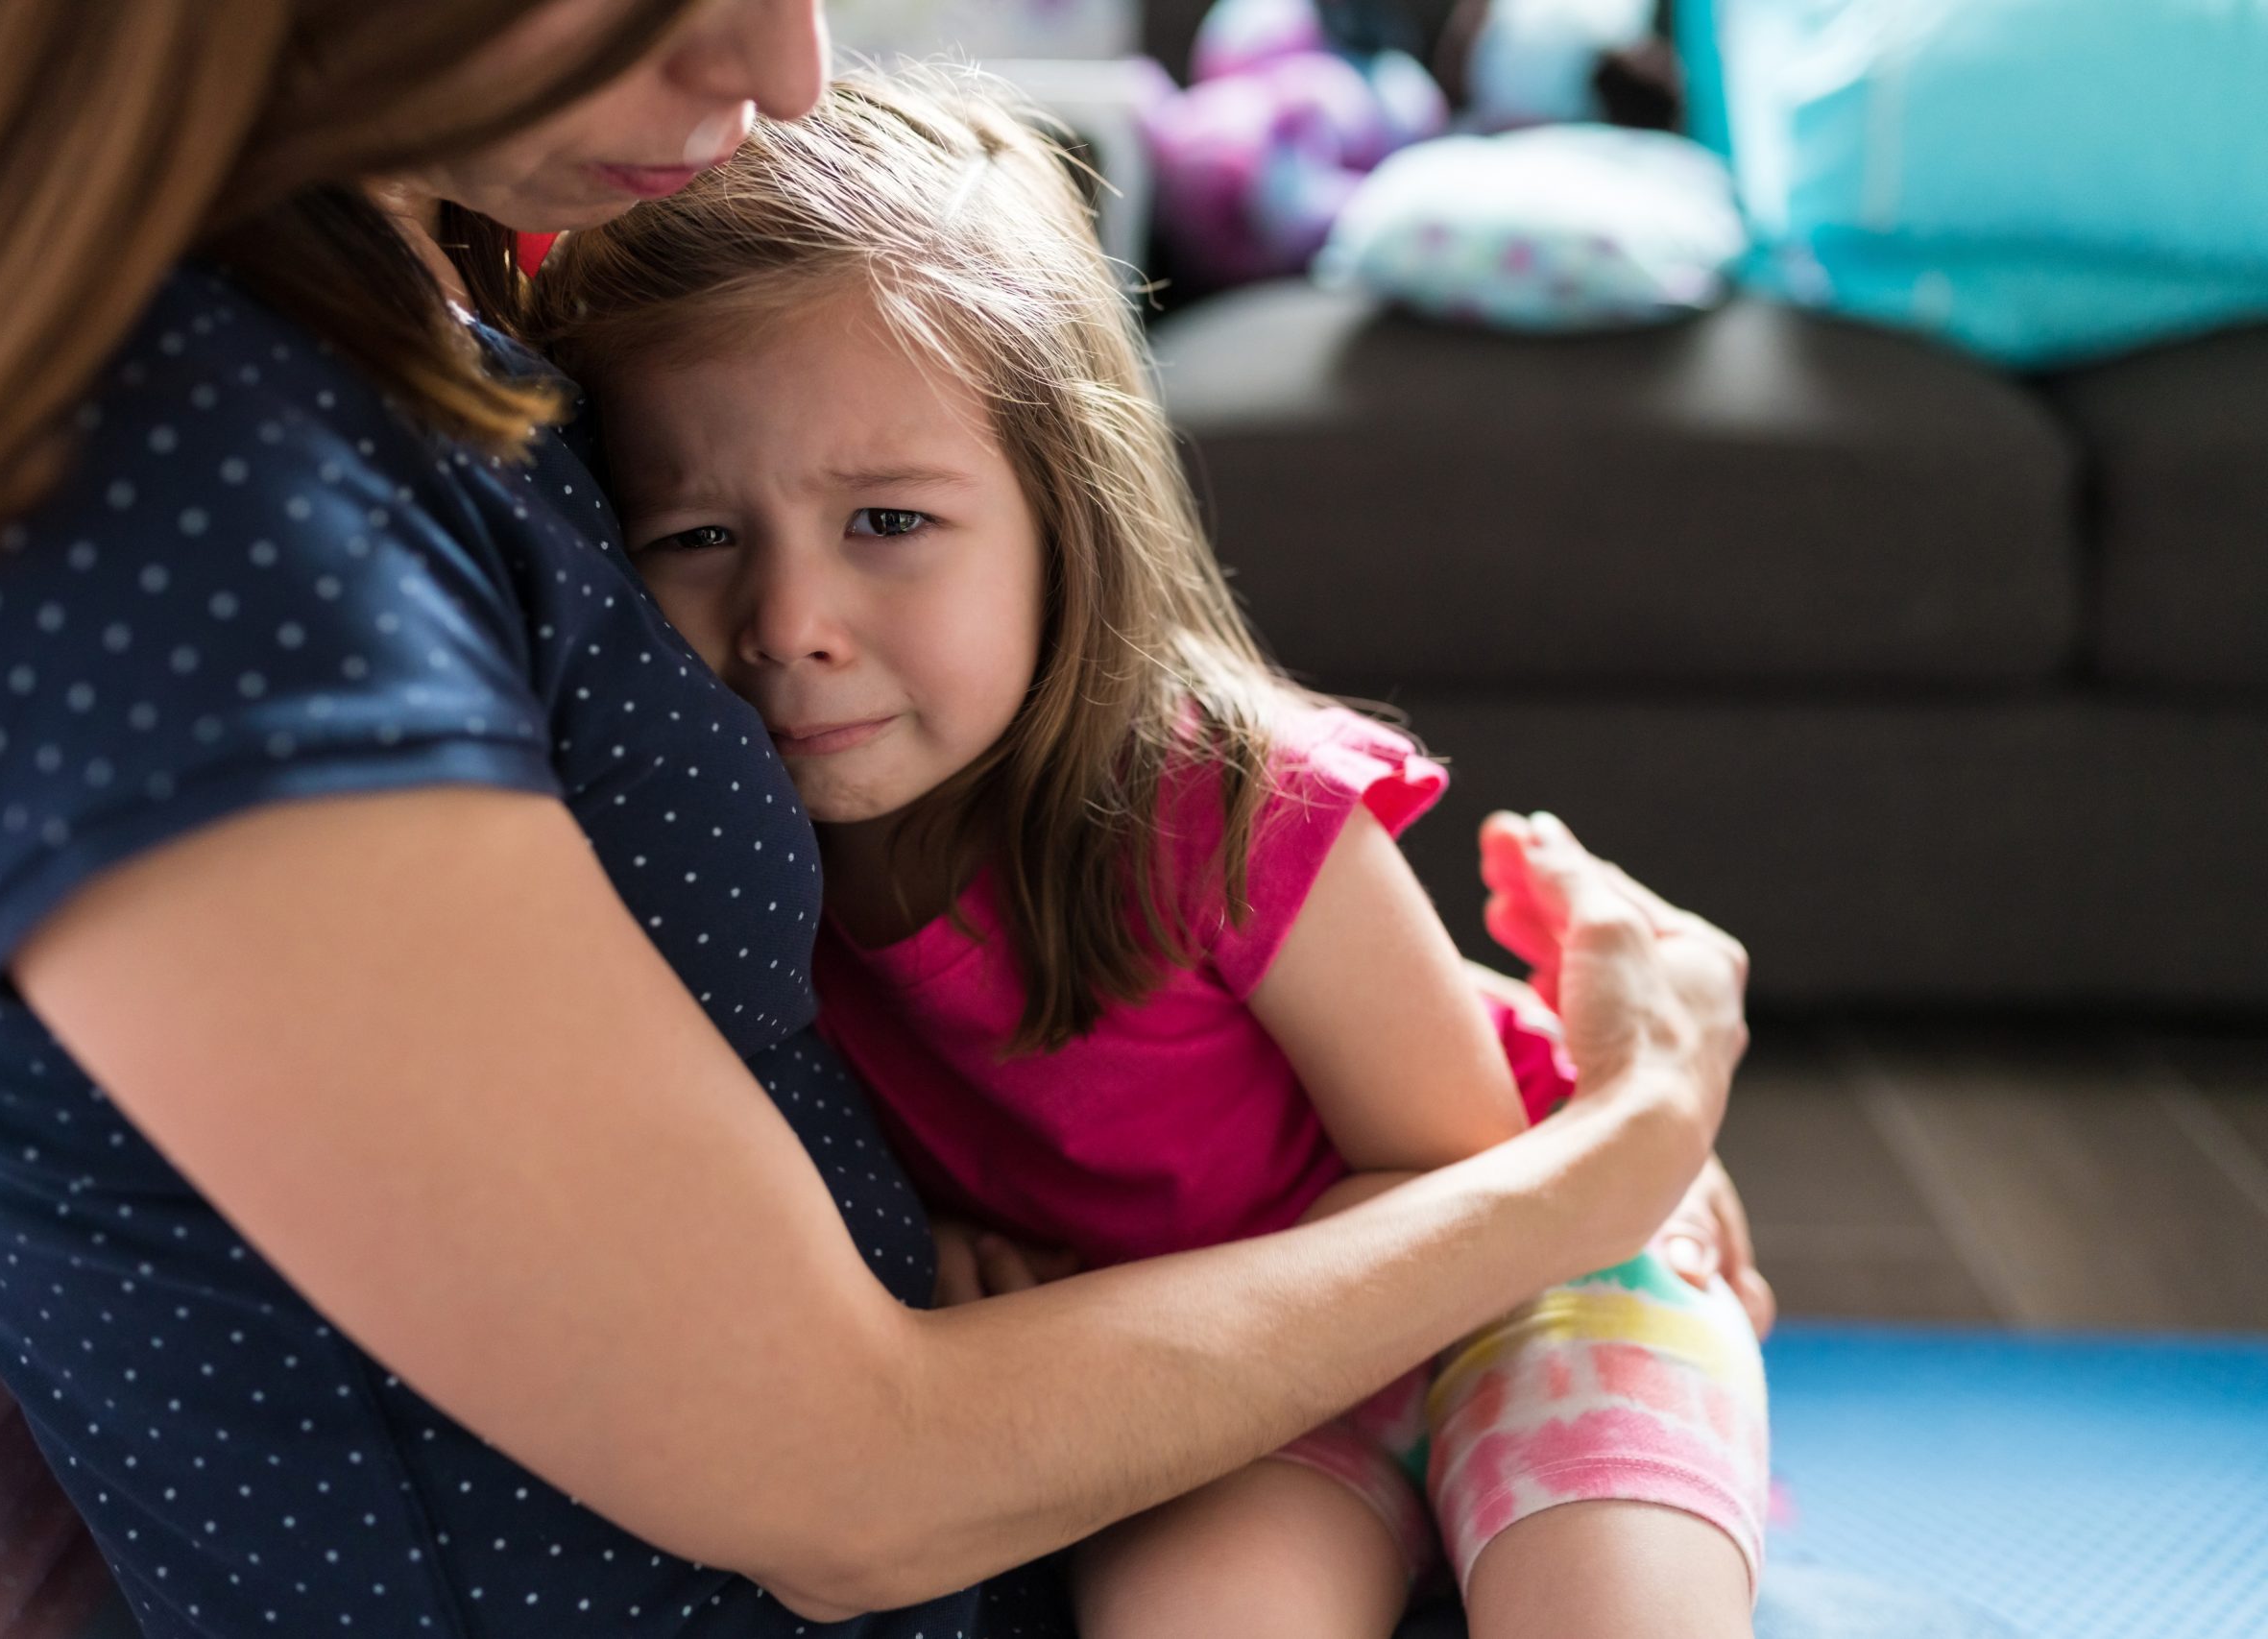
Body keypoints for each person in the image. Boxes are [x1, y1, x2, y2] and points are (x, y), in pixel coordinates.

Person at [0, 2, 1757, 1635]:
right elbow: (839, 1472)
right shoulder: (170, 538)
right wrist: (1612, 1150)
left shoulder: (369, 254)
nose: (784, 62)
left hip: (1138, 1436)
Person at [526, 71, 1769, 1639]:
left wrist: (1119, 1301)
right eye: (696, 537)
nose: (788, 627)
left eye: (890, 523)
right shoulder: (730, 861)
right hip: (1229, 1382)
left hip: (1527, 1280)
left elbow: (1458, 1167)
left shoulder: (1227, 807)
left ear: (1066, 520)